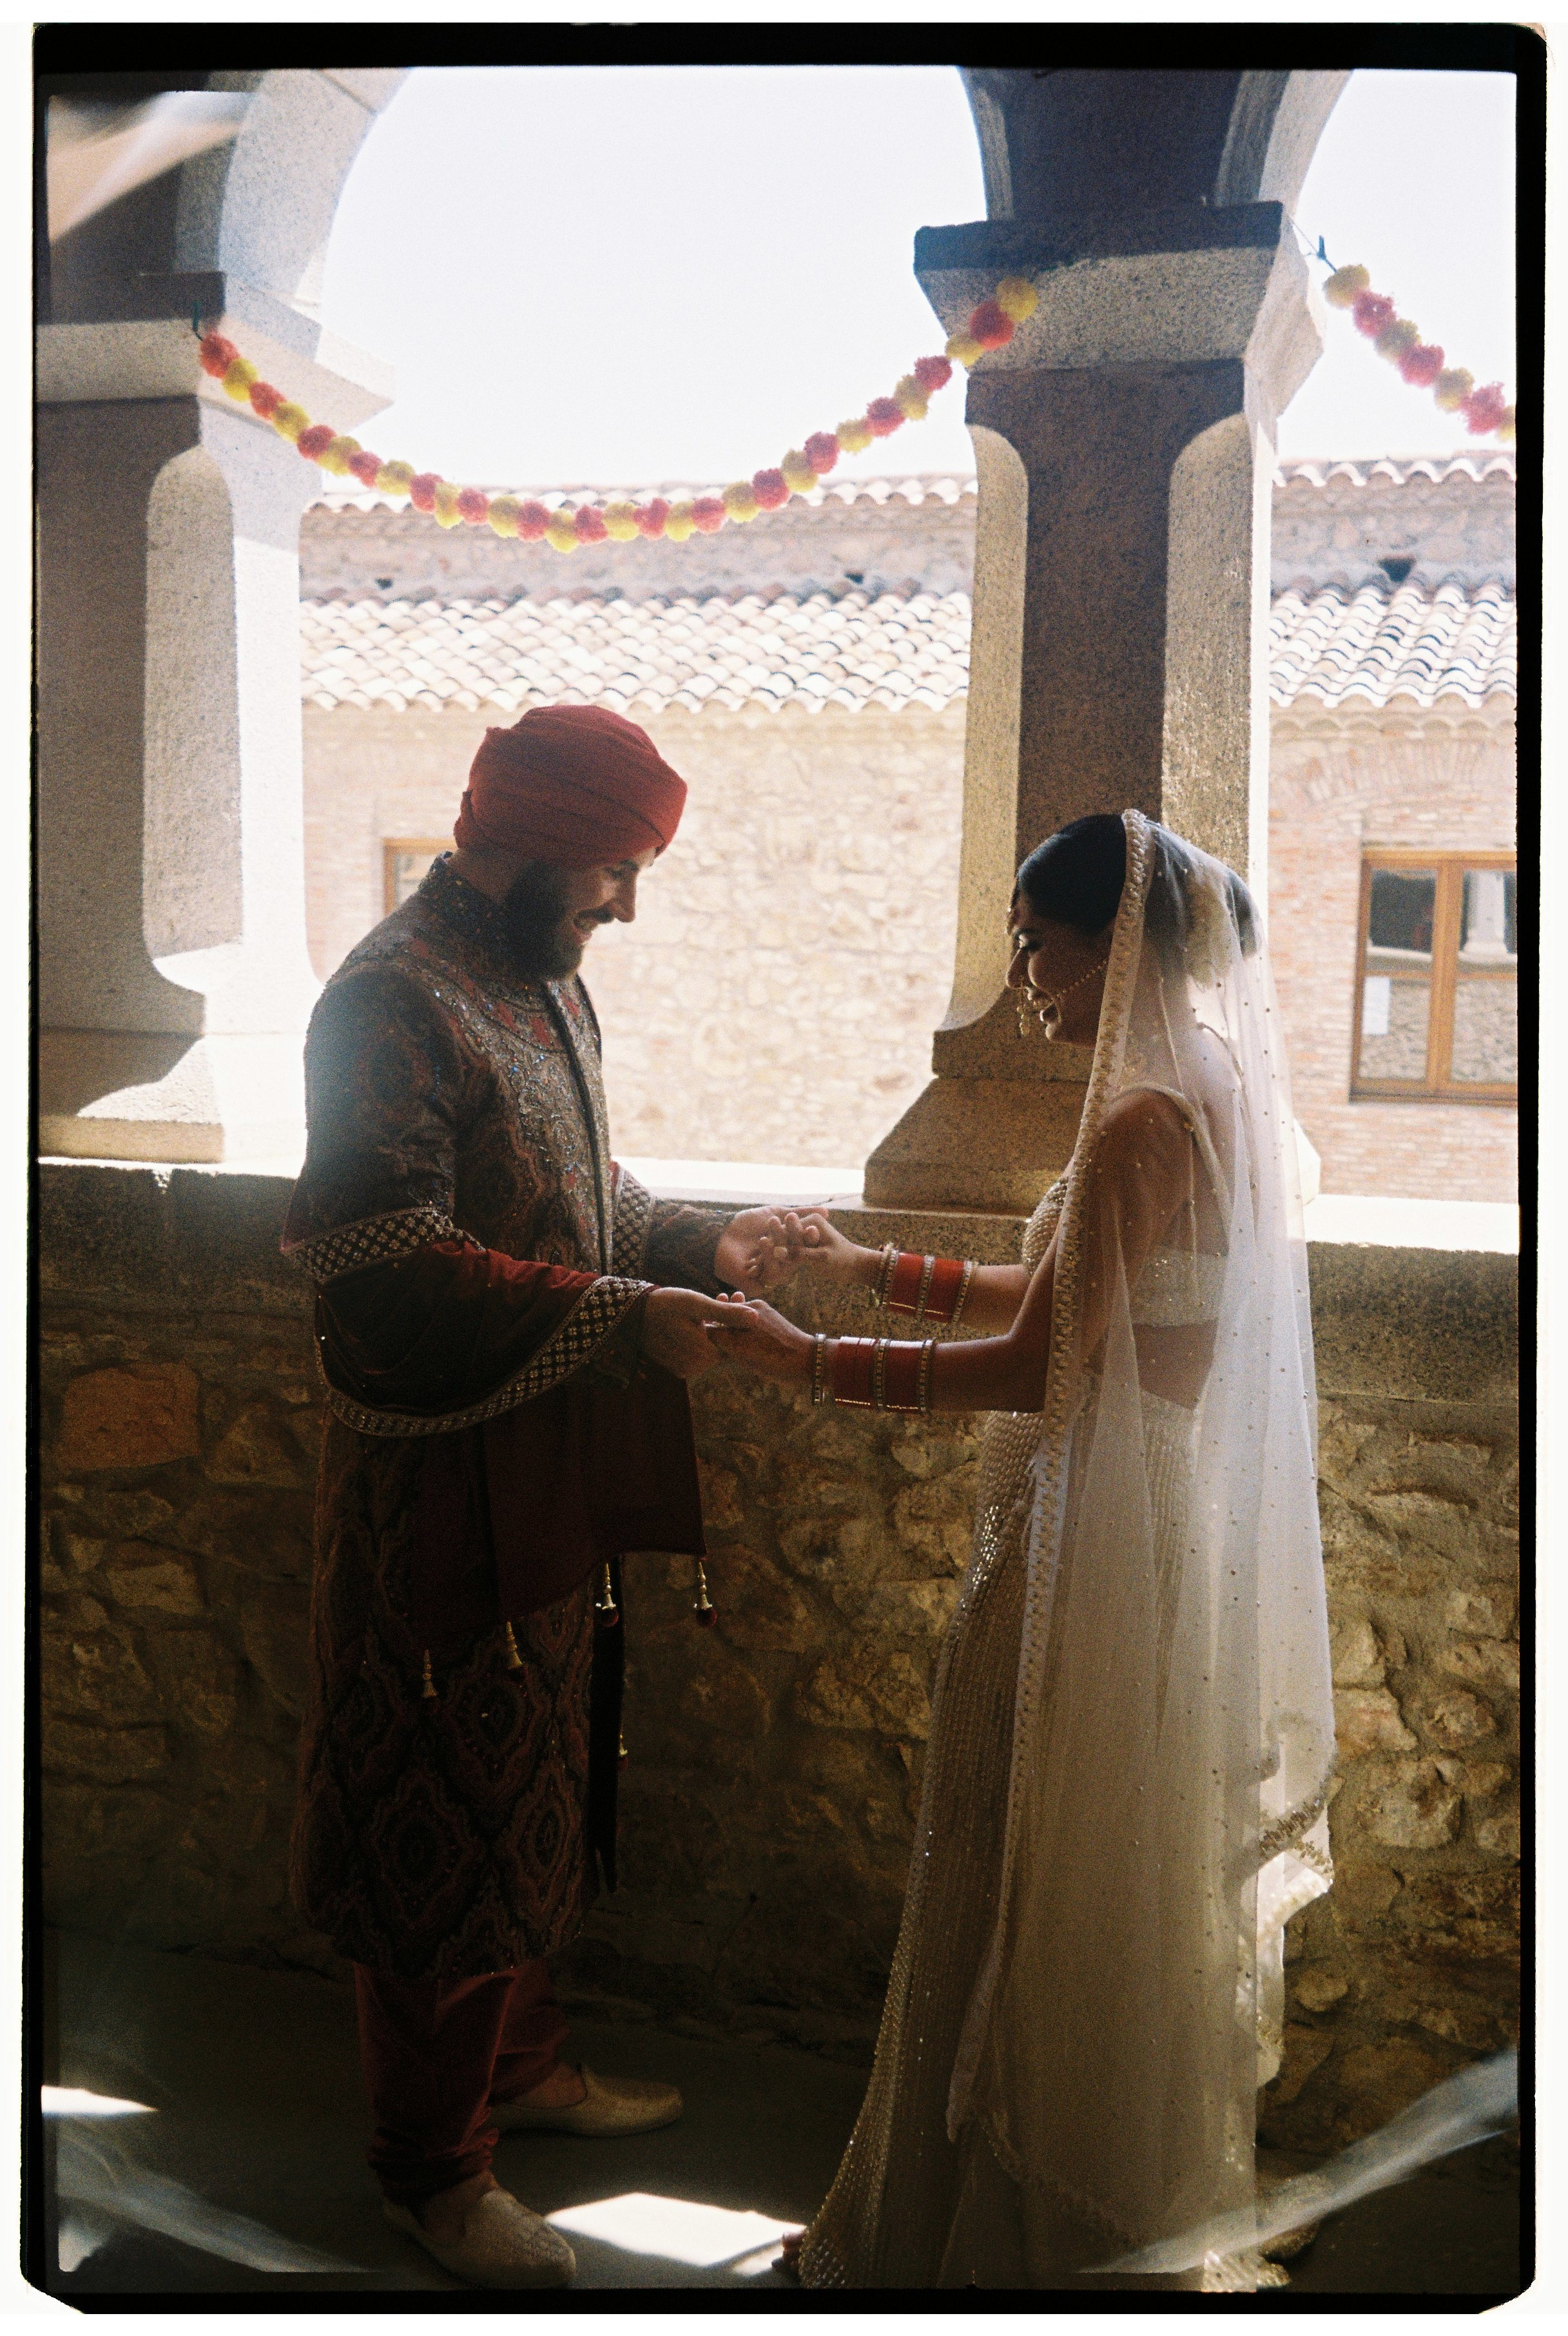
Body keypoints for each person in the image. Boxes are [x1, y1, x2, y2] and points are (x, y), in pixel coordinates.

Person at [714, 810, 1336, 2291]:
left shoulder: (1136, 1118)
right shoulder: (1228, 1097)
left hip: (1095, 1534)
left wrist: (804, 1360)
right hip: (1159, 1514)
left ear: (1110, 940)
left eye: (1033, 944)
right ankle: (1103, 2184)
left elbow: (1032, 1372)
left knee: (1007, 1859)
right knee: (1099, 1867)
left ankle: (955, 2234)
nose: (1021, 981)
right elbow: (1066, 1308)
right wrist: (869, 1264)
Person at [280, 704, 797, 2289]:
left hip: (540, 1468)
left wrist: (699, 1240)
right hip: (431, 1494)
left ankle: (523, 2067)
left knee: (534, 1786)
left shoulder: (534, 983)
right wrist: (625, 1317)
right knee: (436, 1812)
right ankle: (429, 2177)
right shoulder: (390, 999)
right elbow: (376, 1267)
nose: (621, 907)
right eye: (607, 871)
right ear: (514, 837)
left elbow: (575, 1191)